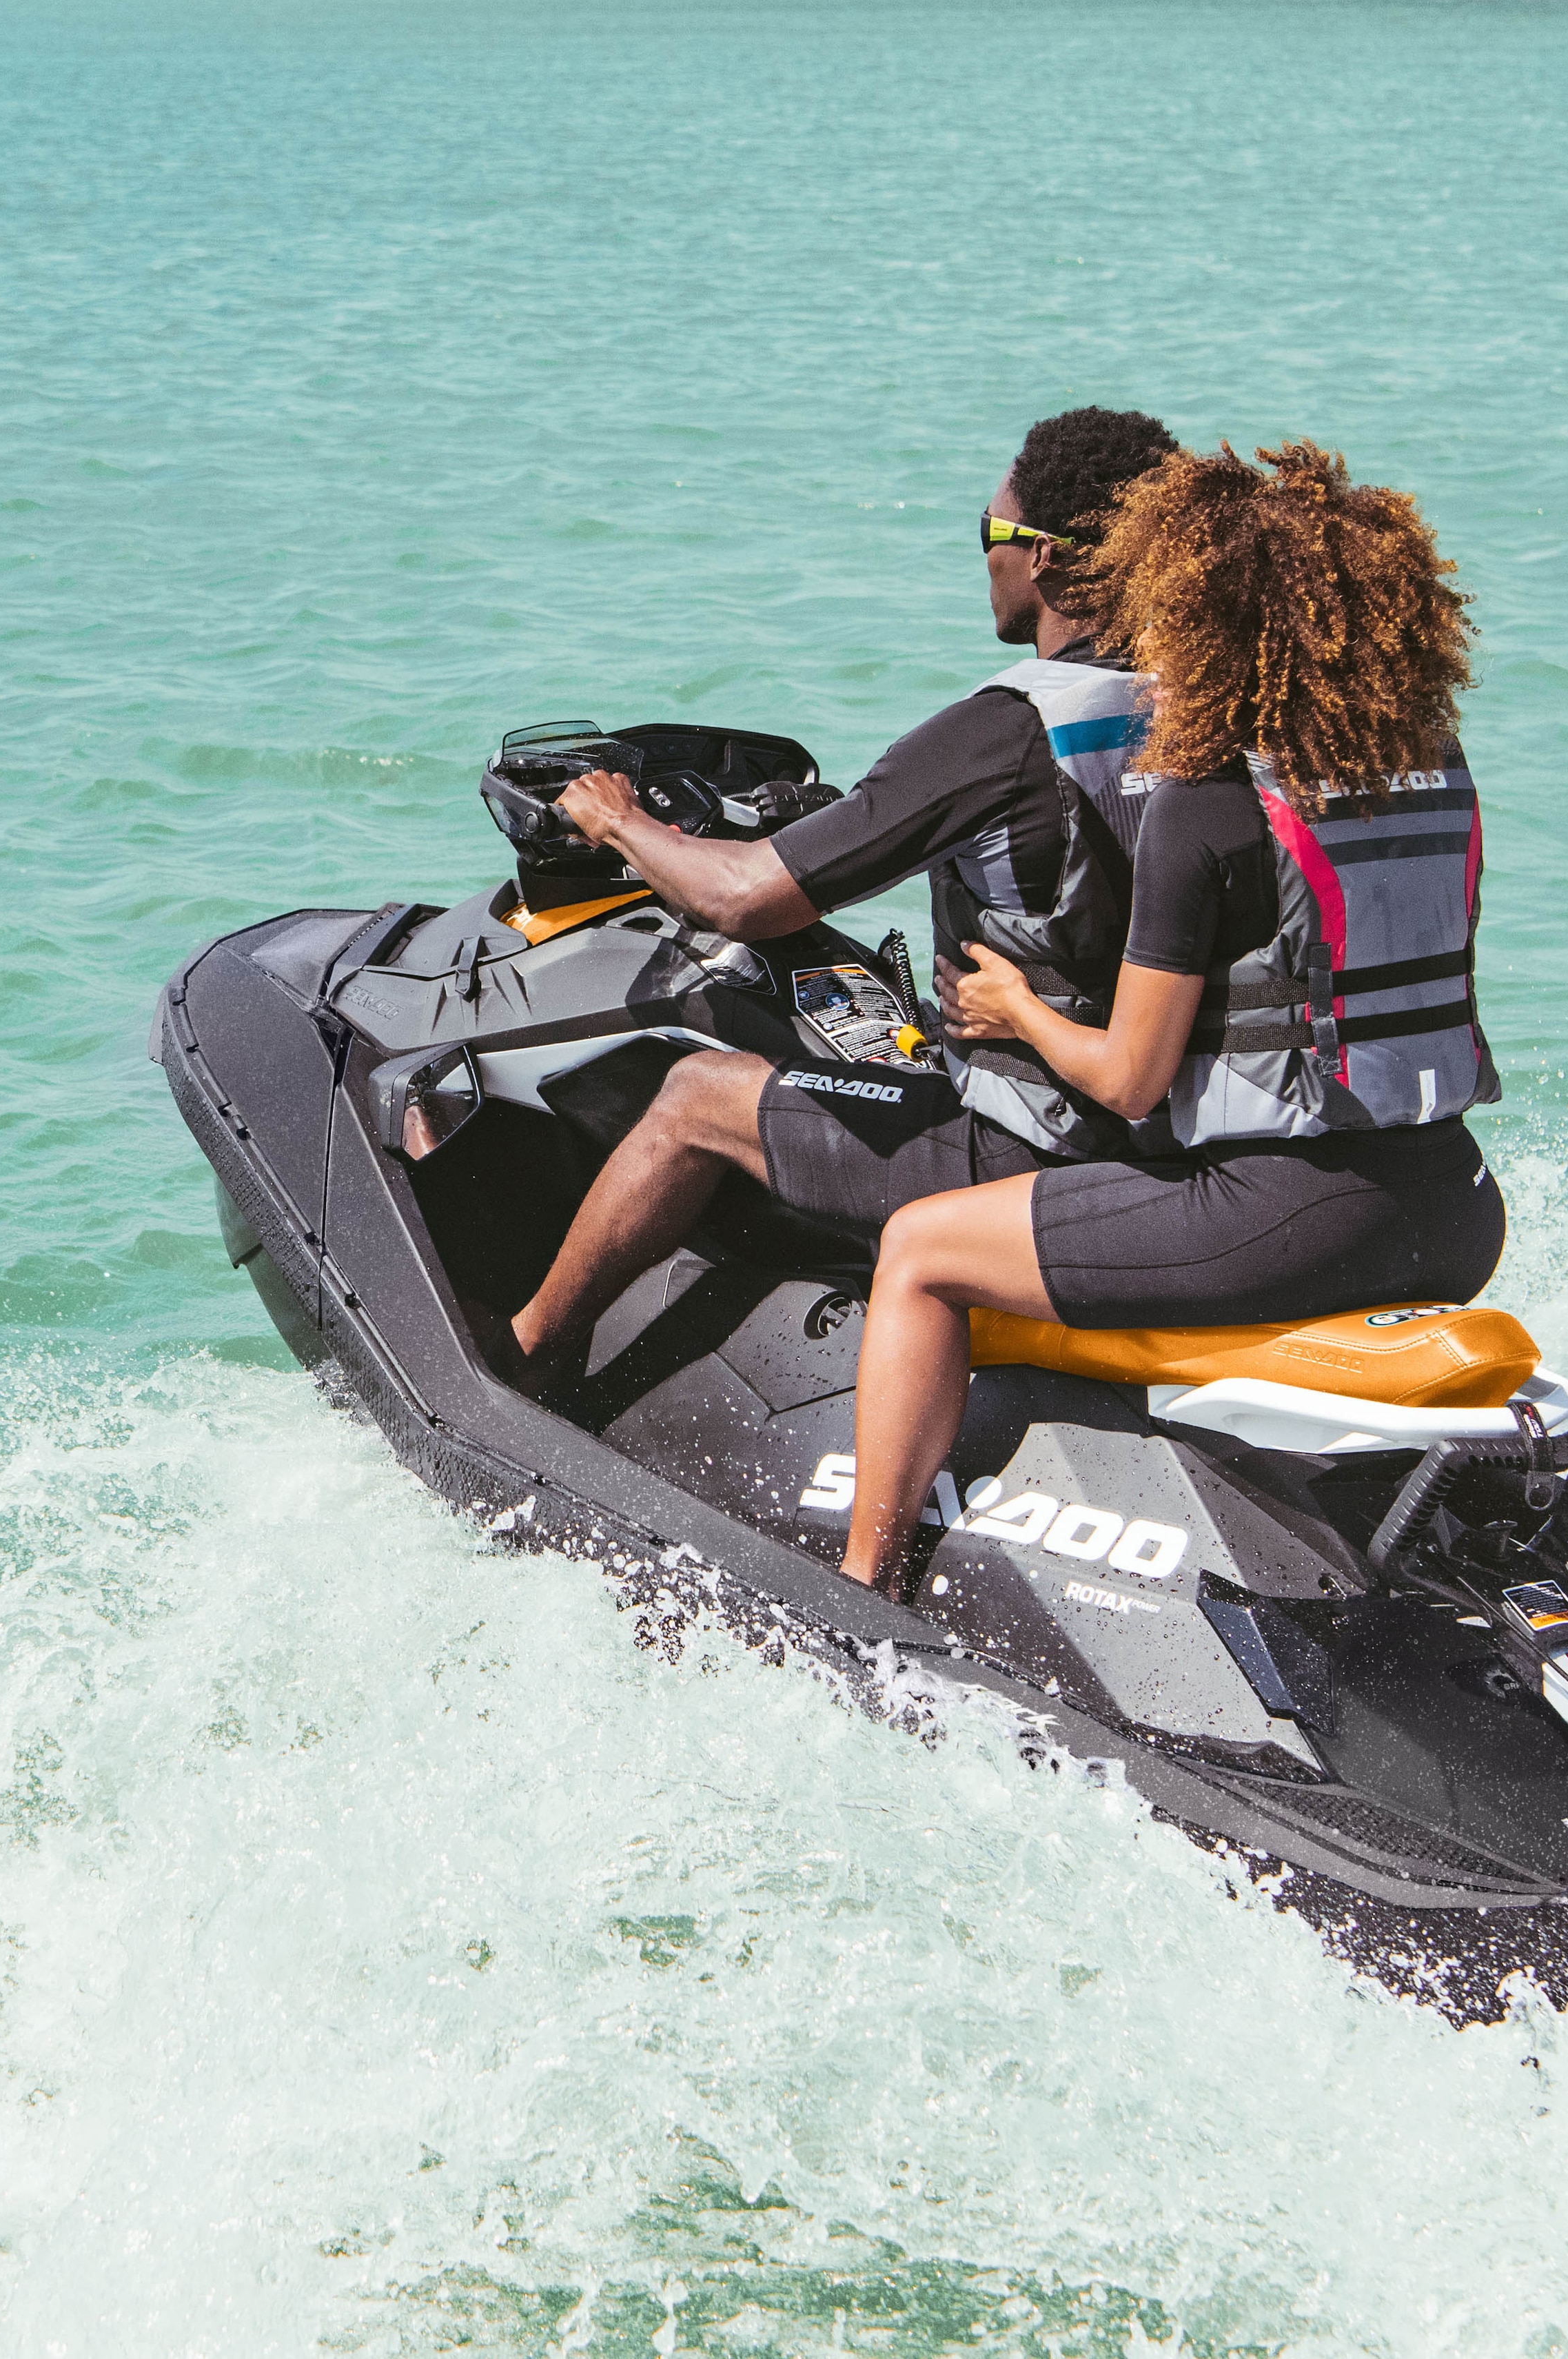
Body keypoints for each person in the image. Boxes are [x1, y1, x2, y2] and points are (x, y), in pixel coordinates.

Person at [837, 438, 1509, 1592]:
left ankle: (860, 1588)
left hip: (1288, 1214)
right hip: (1458, 1204)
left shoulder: (1205, 801)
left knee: (921, 1248)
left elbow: (1131, 1079)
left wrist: (1013, 1009)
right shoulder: (1432, 766)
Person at [504, 407, 1184, 1395]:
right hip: (1166, 1133)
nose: (983, 559)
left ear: (1040, 558)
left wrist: (619, 823)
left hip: (1030, 1141)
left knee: (697, 1096)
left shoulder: (1008, 728)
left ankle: (525, 1360)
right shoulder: (1205, 706)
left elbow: (743, 898)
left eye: (988, 535)